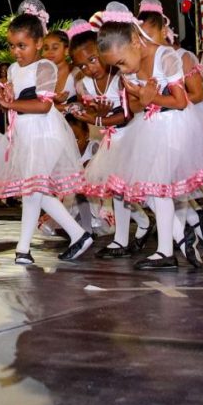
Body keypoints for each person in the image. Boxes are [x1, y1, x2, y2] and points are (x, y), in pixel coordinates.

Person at [96, 1, 203, 271]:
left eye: (121, 62)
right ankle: (175, 241)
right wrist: (142, 99)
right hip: (149, 125)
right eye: (116, 67)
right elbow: (133, 108)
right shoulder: (129, 72)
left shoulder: (165, 56)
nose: (121, 70)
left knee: (159, 189)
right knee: (154, 191)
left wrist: (150, 96)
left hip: (173, 127)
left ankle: (170, 247)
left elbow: (180, 101)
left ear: (134, 40)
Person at [0, 0, 92, 265]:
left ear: (38, 43)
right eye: (12, 46)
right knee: (33, 191)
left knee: (32, 190)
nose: (16, 51)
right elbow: (19, 100)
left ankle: (30, 247)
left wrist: (10, 103)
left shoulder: (45, 67)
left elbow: (44, 105)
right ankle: (40, 245)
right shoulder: (13, 69)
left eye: (22, 45)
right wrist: (9, 95)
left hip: (44, 132)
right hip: (25, 133)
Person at [68, 23, 148, 257]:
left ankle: (190, 222)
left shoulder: (122, 75)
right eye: (82, 65)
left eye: (93, 60)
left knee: (152, 188)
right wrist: (93, 115)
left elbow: (128, 114)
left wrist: (101, 119)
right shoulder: (84, 84)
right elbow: (98, 117)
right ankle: (122, 238)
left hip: (135, 135)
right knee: (117, 189)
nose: (89, 68)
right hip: (113, 140)